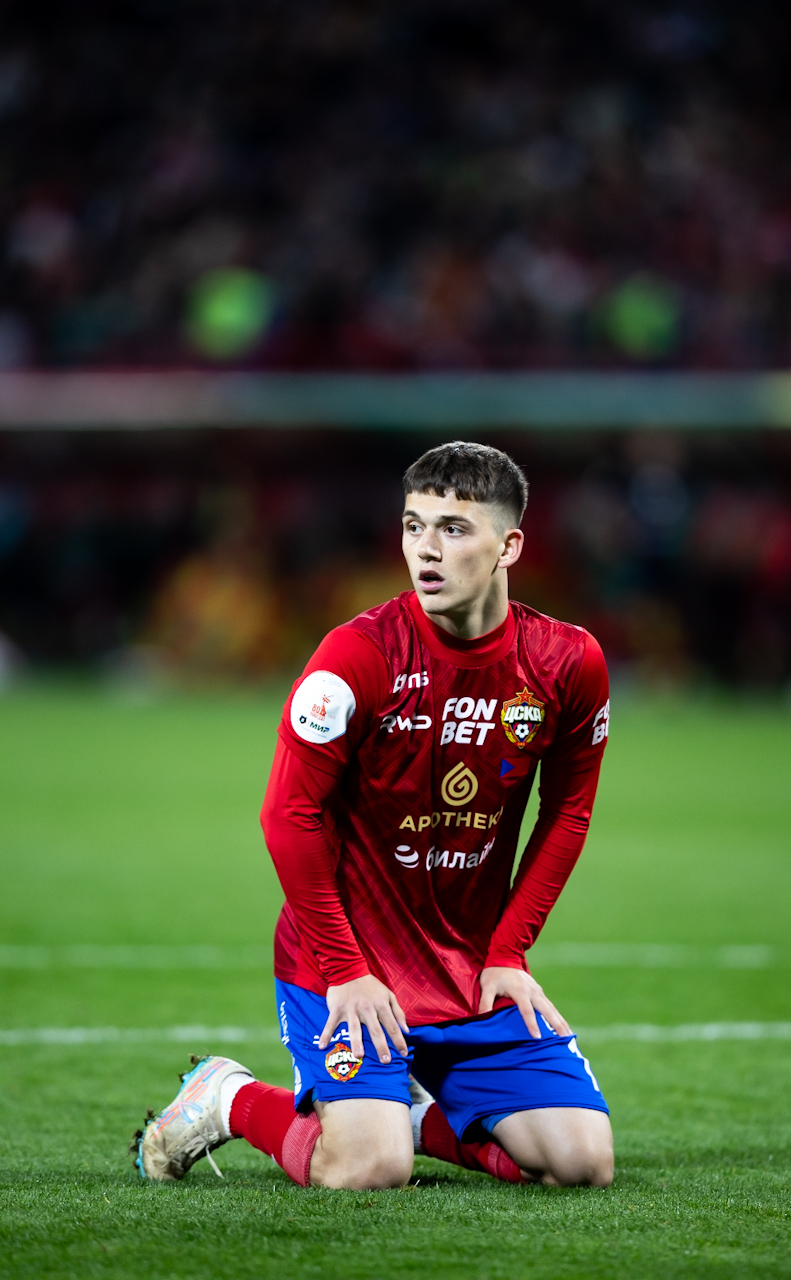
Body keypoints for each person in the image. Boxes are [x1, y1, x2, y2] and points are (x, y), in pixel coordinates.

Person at [132, 441, 614, 1190]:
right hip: (348, 965)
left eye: (453, 529)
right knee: (366, 1168)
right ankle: (228, 1097)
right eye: (413, 525)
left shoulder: (567, 662)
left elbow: (568, 811)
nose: (426, 549)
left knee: (580, 1164)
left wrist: (509, 952)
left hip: (471, 972)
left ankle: (405, 1114)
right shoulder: (357, 655)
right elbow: (287, 815)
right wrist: (345, 970)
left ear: (509, 545)